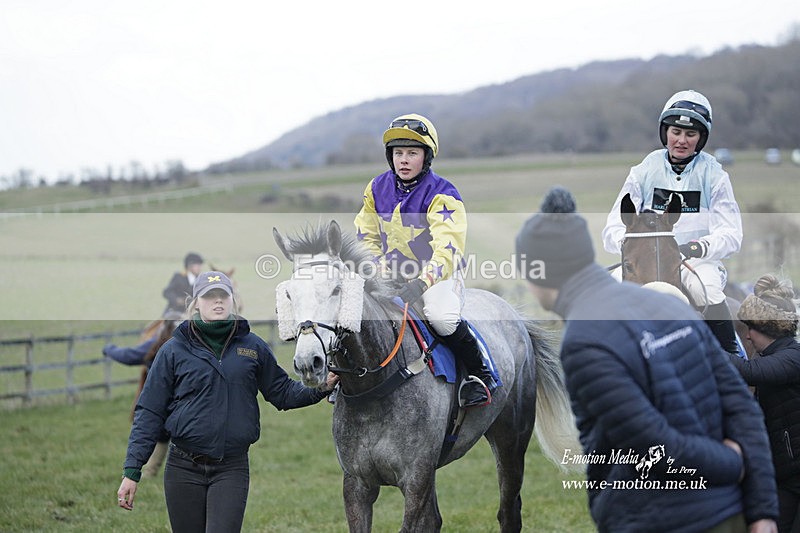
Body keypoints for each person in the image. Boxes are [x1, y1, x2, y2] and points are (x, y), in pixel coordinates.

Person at [516, 186, 778, 532]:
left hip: (659, 519)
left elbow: (653, 445)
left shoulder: (584, 340)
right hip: (732, 513)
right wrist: (762, 512)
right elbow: (742, 407)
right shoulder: (669, 304)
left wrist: (733, 463)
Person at [116, 271, 338, 532]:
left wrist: (322, 387)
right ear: (196, 303)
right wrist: (132, 470)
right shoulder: (173, 350)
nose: (217, 301)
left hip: (230, 468)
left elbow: (282, 392)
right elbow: (149, 412)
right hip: (182, 468)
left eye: (224, 295)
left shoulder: (252, 346)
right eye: (210, 297)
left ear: (233, 299)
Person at [353, 113, 497, 407]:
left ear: (426, 157)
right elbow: (365, 236)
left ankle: (482, 374)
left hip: (436, 275)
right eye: (398, 153)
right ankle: (344, 378)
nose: (403, 160)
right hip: (389, 272)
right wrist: (378, 271)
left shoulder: (443, 193)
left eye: (412, 153)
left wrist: (421, 283)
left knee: (441, 317)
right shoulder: (375, 189)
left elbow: (448, 248)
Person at [602, 89, 743, 355]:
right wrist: (631, 243)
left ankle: (731, 357)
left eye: (690, 134)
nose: (681, 140)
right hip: (644, 261)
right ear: (665, 132)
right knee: (606, 290)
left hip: (695, 261)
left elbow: (732, 234)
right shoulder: (643, 171)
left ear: (701, 138)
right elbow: (613, 225)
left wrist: (697, 247)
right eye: (675, 132)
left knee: (707, 291)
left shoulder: (715, 176)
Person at [727, 274, 800, 533]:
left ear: (767, 329)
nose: (746, 338)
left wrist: (697, 341)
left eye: (750, 329)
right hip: (786, 476)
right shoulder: (781, 355)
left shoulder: (793, 357)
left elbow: (749, 371)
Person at [103, 309, 184, 477]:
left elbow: (128, 355)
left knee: (155, 433)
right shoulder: (188, 345)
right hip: (182, 403)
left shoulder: (156, 345)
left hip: (158, 402)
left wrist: (109, 349)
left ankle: (149, 472)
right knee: (168, 437)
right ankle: (155, 472)